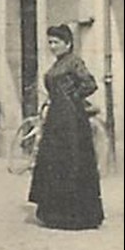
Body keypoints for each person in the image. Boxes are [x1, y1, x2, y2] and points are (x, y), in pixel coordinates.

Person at [27, 24, 104, 230]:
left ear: (68, 43)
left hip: (72, 122)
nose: (52, 46)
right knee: (55, 162)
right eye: (50, 42)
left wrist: (72, 99)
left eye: (56, 42)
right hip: (56, 120)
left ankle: (76, 215)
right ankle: (54, 213)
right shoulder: (58, 64)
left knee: (71, 162)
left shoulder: (74, 62)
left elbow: (89, 84)